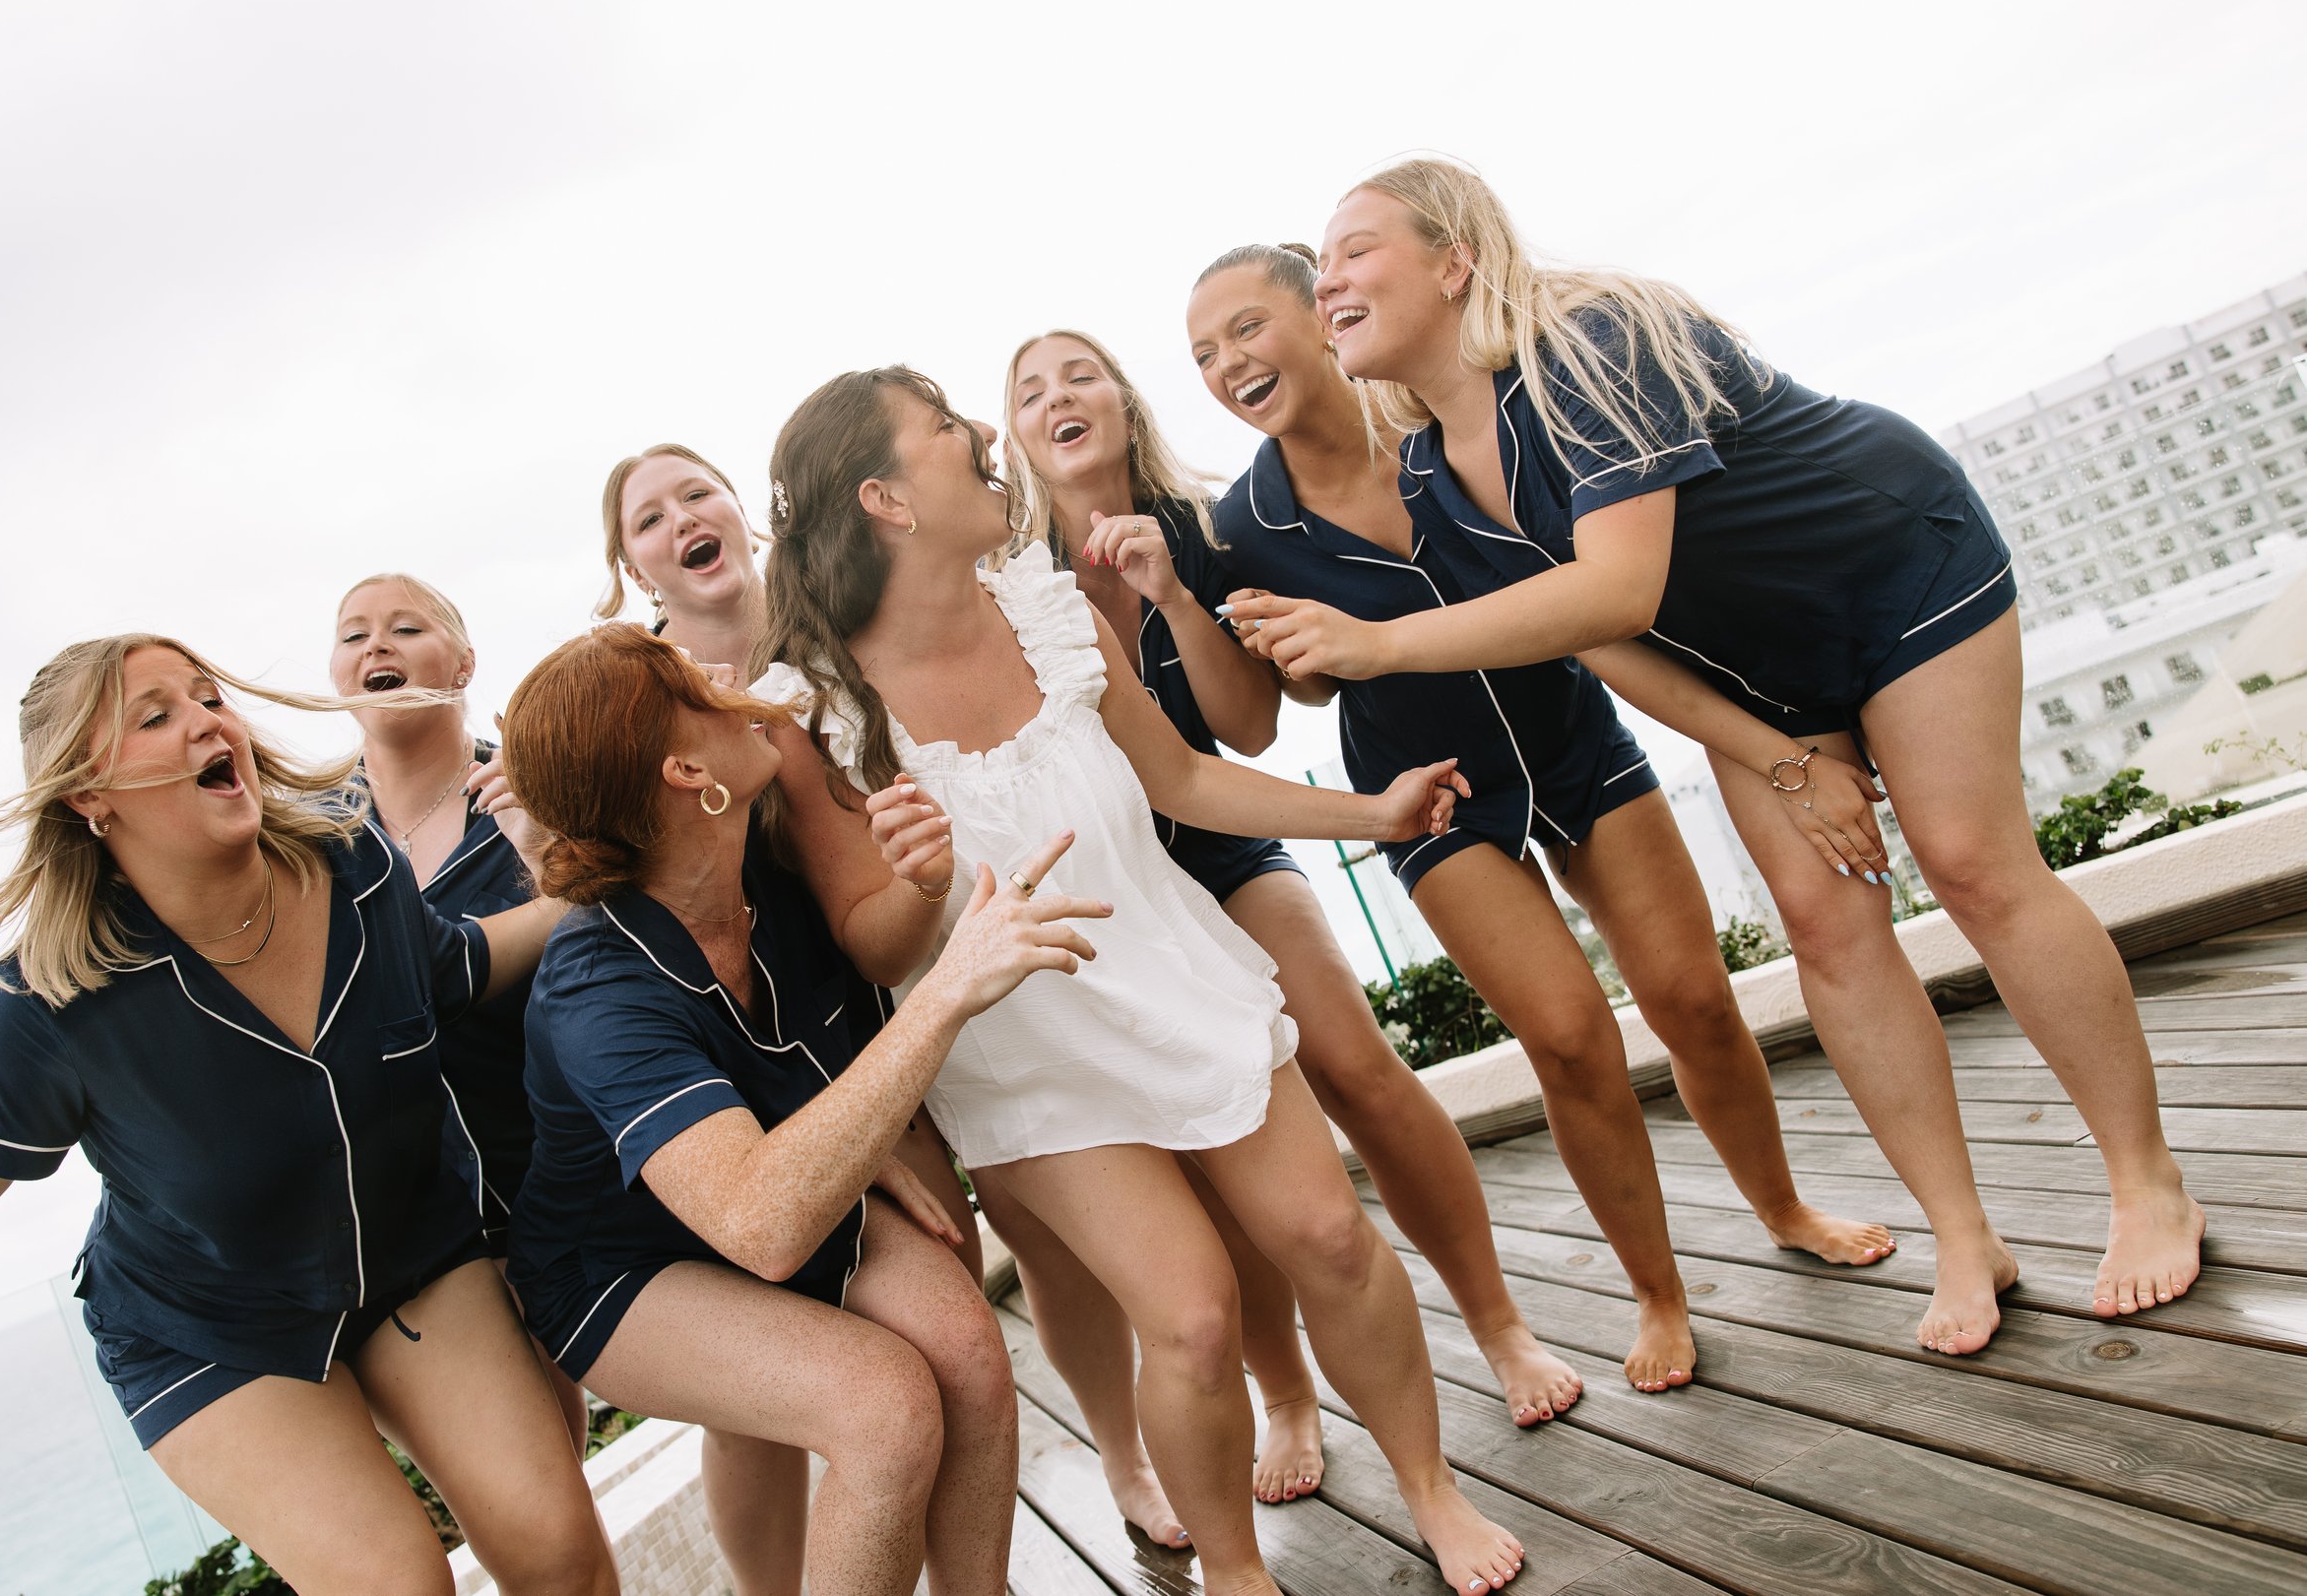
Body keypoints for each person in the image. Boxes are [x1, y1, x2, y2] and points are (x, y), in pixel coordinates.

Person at [1226, 158, 2206, 1352]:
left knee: (1968, 862)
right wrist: (1785, 761)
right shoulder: (1432, 461)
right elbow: (1603, 635)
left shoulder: (1586, 341)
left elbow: (1617, 578)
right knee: (1826, 917)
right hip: (1751, 669)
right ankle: (1962, 1234)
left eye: (1351, 253)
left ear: (1452, 258)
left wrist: (1374, 645)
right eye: (1319, 267)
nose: (1326, 281)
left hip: (1888, 571)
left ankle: (2145, 1179)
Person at [753, 364, 1526, 1596]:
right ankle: (1234, 1572)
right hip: (1025, 1058)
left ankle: (1433, 1490)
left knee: (1329, 1234)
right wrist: (921, 877)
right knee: (1194, 1316)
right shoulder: (810, 713)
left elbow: (1184, 781)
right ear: (886, 498)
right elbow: (877, 944)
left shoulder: (1050, 610)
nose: (977, 440)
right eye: (946, 429)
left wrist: (1370, 812)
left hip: (1173, 975)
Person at [1187, 248, 1893, 1392]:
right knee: (1569, 1036)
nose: (1226, 364)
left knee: (1695, 999)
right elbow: (1301, 691)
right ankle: (1659, 1294)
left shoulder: (1448, 423)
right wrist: (1290, 641)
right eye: (1203, 354)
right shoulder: (1241, 524)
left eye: (1244, 328)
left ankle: (1783, 1204)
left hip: (1573, 735)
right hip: (1431, 795)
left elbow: (1594, 569)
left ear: (1321, 317)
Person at [0, 635, 614, 1596]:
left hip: (416, 1254)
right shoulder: (51, 995)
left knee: (562, 1557)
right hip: (204, 1326)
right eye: (156, 714)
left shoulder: (353, 864)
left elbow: (450, 967)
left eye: (208, 697)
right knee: (397, 1583)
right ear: (88, 792)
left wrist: (597, 887)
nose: (208, 720)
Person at [1002, 330, 1591, 1488]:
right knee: (1199, 1137)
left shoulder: (1212, 533)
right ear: (1013, 433)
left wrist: (1171, 596)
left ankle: (1499, 1323)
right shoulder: (1010, 576)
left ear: (1120, 398)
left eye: (1079, 372)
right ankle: (1285, 1395)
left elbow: (1249, 729)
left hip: (1219, 842)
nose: (1059, 395)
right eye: (1029, 389)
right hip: (1109, 881)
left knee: (1356, 1064)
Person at [500, 623, 1096, 1596]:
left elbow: (806, 1103)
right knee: (884, 1409)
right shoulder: (597, 986)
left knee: (969, 1357)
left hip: (769, 1176)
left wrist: (842, 1132)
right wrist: (953, 986)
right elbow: (763, 1224)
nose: (726, 673)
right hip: (623, 1267)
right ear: (688, 768)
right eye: (695, 682)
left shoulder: (767, 874)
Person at [333, 571, 587, 1449]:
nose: (377, 646)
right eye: (354, 634)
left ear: (466, 659)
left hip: (564, 1175)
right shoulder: (309, 840)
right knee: (538, 1464)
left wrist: (551, 850)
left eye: (406, 626)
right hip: (413, 1226)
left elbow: (622, 934)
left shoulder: (534, 787)